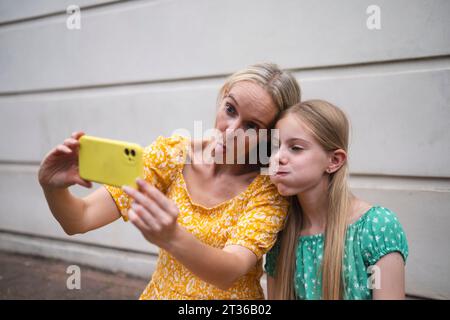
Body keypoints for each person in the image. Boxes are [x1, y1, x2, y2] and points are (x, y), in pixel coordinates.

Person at [38, 63, 301, 299]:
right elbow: (80, 219)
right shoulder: (171, 156)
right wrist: (52, 187)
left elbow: (228, 271)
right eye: (230, 109)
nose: (230, 130)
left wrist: (171, 236)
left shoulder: (269, 188)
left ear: (271, 137)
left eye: (252, 127)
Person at [265, 100, 409, 300]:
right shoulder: (281, 235)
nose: (278, 157)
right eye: (275, 147)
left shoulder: (376, 228)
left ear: (334, 161)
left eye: (296, 148)